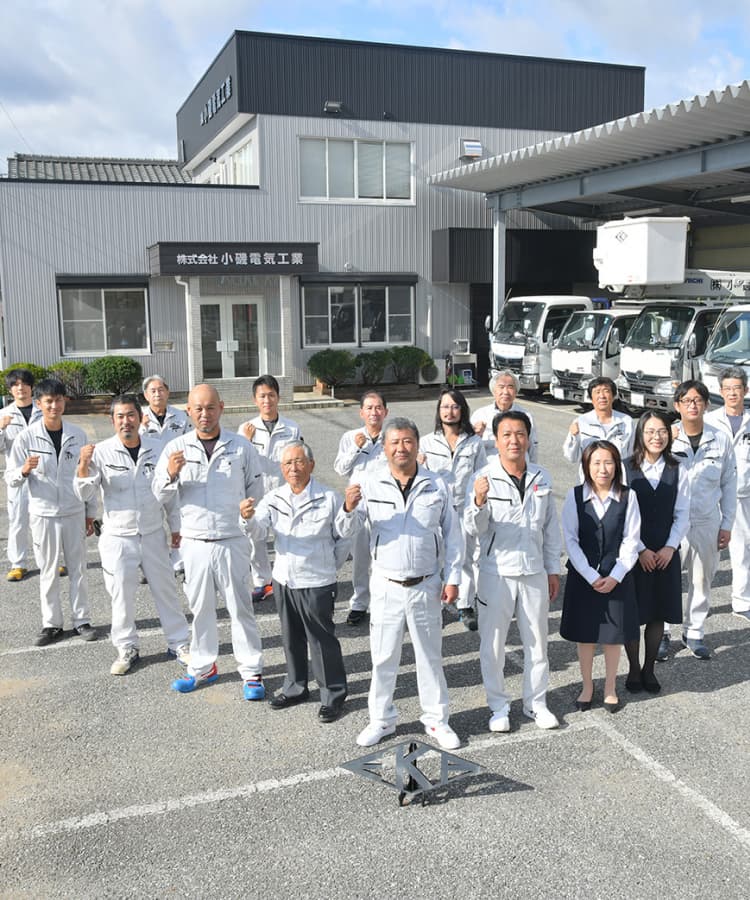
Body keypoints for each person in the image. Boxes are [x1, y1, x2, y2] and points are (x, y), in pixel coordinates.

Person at [348, 417, 463, 751]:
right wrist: (348, 508)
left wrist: (453, 578)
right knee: (383, 658)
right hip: (386, 584)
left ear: (417, 445)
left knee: (430, 657)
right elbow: (348, 529)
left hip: (426, 583)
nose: (402, 448)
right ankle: (381, 719)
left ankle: (437, 720)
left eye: (408, 441)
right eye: (394, 442)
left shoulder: (436, 484)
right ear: (384, 448)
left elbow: (454, 537)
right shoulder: (369, 482)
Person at [153, 384, 265, 698]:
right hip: (195, 542)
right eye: (198, 409)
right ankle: (203, 667)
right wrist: (171, 475)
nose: (205, 414)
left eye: (210, 407)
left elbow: (257, 489)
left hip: (231, 539)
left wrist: (249, 509)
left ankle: (251, 672)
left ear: (222, 408)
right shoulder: (176, 448)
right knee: (200, 608)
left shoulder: (241, 447)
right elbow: (158, 495)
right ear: (188, 411)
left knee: (240, 608)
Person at [243, 441, 360, 723]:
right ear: (282, 469)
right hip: (284, 579)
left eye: (298, 462)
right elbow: (259, 532)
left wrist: (348, 508)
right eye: (287, 464)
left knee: (321, 641)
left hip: (317, 581)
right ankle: (296, 688)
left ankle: (333, 695)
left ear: (311, 464)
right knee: (291, 638)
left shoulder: (329, 497)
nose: (293, 468)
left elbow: (345, 535)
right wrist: (246, 518)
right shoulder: (274, 498)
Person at [74, 394, 191, 675]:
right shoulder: (100, 452)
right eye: (120, 416)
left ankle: (179, 643)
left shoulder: (157, 447)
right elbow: (84, 493)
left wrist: (176, 528)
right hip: (118, 537)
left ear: (140, 418)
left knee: (166, 591)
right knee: (121, 597)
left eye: (130, 415)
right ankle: (127, 648)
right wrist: (82, 465)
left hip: (152, 533)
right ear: (112, 420)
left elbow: (170, 494)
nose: (126, 421)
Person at [465, 410, 562, 732]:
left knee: (537, 642)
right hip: (496, 572)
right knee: (492, 645)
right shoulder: (483, 477)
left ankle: (536, 704)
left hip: (533, 570)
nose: (514, 440)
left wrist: (552, 570)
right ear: (496, 439)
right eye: (506, 434)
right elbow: (473, 528)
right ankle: (498, 707)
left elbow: (551, 530)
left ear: (528, 437)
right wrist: (478, 502)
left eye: (519, 433)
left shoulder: (542, 477)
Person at [5, 379, 96, 646]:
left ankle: (82, 620)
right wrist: (23, 470)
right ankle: (52, 624)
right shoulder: (26, 438)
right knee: (48, 570)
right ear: (39, 404)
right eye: (48, 401)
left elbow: (87, 475)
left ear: (64, 401)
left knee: (78, 568)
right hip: (43, 514)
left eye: (58, 400)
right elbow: (10, 477)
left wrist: (90, 511)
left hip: (73, 512)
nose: (54, 405)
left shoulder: (78, 435)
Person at [560, 440, 641, 712]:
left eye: (608, 462)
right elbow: (570, 540)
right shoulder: (575, 496)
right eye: (596, 462)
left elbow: (632, 541)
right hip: (584, 578)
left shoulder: (628, 496)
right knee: (586, 635)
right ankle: (587, 686)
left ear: (617, 466)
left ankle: (609, 687)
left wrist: (616, 575)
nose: (602, 469)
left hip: (617, 576)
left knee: (613, 636)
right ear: (586, 466)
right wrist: (589, 575)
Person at [664, 380, 736, 660]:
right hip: (672, 523)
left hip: (707, 521)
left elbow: (730, 482)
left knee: (702, 578)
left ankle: (694, 632)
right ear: (677, 406)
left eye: (698, 400)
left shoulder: (720, 439)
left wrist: (727, 523)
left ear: (706, 405)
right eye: (686, 400)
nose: (692, 405)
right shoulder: (666, 437)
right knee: (668, 579)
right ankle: (665, 632)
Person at [623, 411, 690, 693]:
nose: (656, 437)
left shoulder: (679, 469)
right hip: (632, 551)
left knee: (657, 612)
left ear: (669, 434)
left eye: (661, 431)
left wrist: (668, 548)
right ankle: (633, 669)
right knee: (631, 611)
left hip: (665, 553)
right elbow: (621, 514)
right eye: (650, 431)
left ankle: (649, 669)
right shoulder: (625, 467)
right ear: (640, 434)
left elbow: (683, 513)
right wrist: (640, 550)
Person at [419, 388, 486, 630]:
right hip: (437, 509)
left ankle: (466, 605)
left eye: (455, 406)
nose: (450, 411)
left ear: (462, 410)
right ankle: (437, 604)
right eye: (445, 406)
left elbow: (480, 474)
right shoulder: (426, 442)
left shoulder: (474, 442)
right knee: (437, 557)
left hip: (465, 508)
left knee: (465, 557)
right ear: (439, 411)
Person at [239, 375, 302, 602]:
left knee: (287, 536)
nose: (267, 400)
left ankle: (289, 580)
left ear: (278, 397)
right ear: (255, 400)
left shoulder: (292, 428)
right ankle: (262, 582)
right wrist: (246, 441)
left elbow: (298, 459)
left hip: (284, 492)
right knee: (256, 540)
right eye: (262, 396)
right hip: (256, 493)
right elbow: (238, 463)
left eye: (271, 395)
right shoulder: (246, 429)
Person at [333, 390, 389, 625]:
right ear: (361, 412)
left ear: (385, 411)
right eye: (369, 408)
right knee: (360, 560)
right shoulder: (351, 437)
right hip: (359, 506)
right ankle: (359, 602)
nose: (374, 412)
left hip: (386, 507)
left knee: (382, 559)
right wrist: (356, 448)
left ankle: (381, 603)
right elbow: (340, 469)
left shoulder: (392, 437)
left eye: (378, 408)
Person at [705, 367, 750, 624]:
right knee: (708, 552)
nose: (733, 393)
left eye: (737, 388)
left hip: (743, 495)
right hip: (712, 496)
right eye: (728, 389)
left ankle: (742, 602)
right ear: (721, 391)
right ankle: (702, 601)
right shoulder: (709, 420)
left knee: (742, 549)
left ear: (746, 390)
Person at [140, 374, 192, 576]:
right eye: (152, 391)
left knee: (177, 518)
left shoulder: (180, 416)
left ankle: (178, 561)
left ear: (167, 392)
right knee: (149, 522)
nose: (157, 394)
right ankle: (149, 564)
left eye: (161, 389)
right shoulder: (139, 417)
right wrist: (142, 427)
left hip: (175, 475)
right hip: (149, 476)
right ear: (145, 395)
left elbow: (190, 440)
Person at [0, 368, 42, 582]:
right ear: (10, 389)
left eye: (24, 384)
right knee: (17, 520)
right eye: (15, 385)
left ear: (31, 387)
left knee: (44, 519)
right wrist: (0, 429)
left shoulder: (42, 410)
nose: (20, 388)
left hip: (43, 474)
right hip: (17, 475)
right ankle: (18, 564)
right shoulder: (3, 414)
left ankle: (49, 561)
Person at [562, 376, 634, 474]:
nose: (602, 396)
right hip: (589, 481)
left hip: (618, 480)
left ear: (613, 396)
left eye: (606, 391)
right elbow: (571, 457)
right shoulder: (581, 422)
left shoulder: (626, 421)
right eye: (597, 392)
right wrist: (573, 437)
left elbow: (631, 455)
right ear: (591, 398)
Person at [471, 370, 539, 461]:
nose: (506, 392)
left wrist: (532, 467)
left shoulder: (525, 416)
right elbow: (470, 447)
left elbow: (532, 447)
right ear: (493, 391)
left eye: (510, 387)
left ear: (516, 392)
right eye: (501, 387)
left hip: (518, 468)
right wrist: (477, 435)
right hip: (488, 468)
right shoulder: (480, 415)